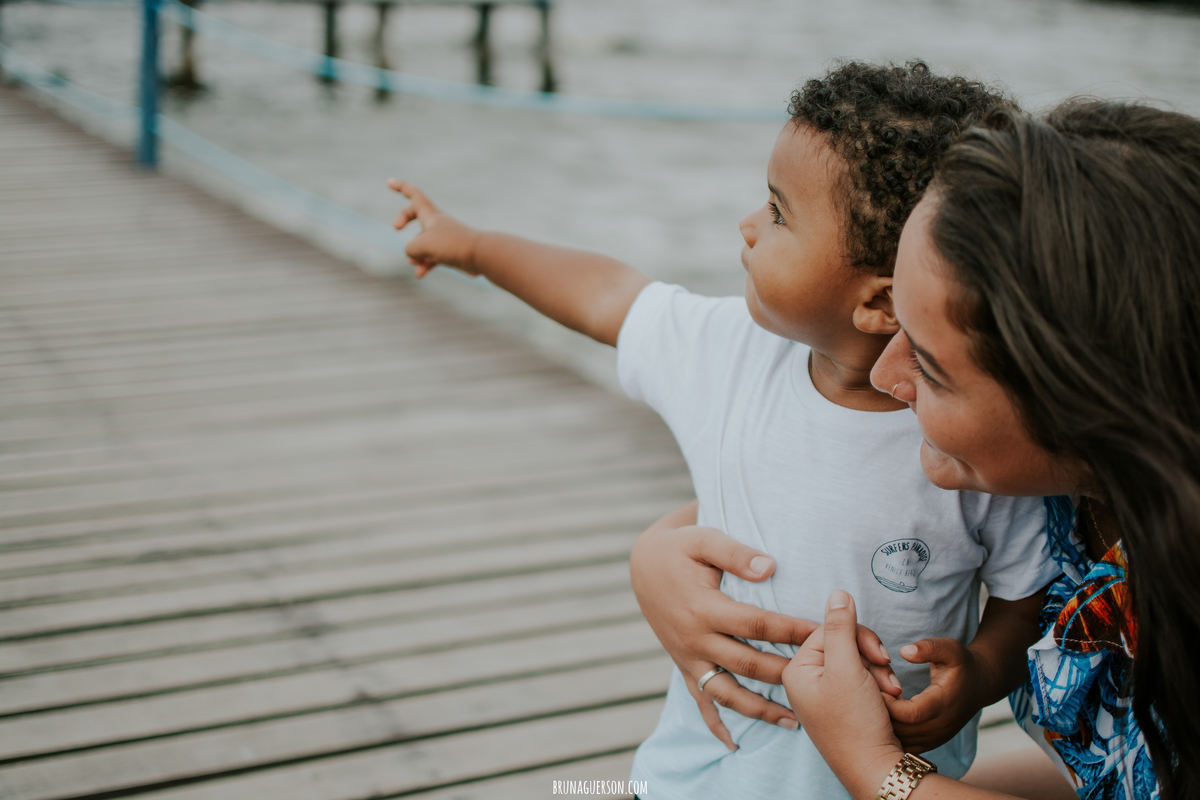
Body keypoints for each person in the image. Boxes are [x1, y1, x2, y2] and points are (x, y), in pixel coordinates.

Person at [390, 62, 1061, 799]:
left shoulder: (974, 450)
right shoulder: (731, 350)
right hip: (685, 777)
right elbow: (606, 295)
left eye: (778, 212)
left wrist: (980, 676)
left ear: (878, 301)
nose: (747, 224)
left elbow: (1023, 597)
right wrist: (473, 248)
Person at [637, 100, 1200, 799]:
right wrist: (658, 554)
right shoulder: (1086, 507)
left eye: (930, 367)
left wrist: (880, 772)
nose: (882, 373)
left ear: (1085, 401)